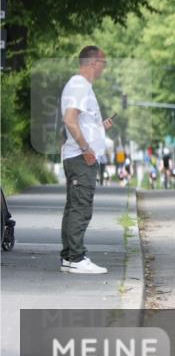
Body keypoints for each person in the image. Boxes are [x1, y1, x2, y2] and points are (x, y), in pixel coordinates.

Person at [59, 46, 114, 274]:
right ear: (93, 63)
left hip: (78, 156)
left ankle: (69, 257)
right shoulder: (80, 85)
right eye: (104, 62)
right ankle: (76, 257)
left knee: (74, 207)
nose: (104, 67)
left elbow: (80, 122)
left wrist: (99, 129)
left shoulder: (80, 86)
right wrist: (85, 148)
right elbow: (70, 120)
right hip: (81, 159)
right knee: (81, 208)